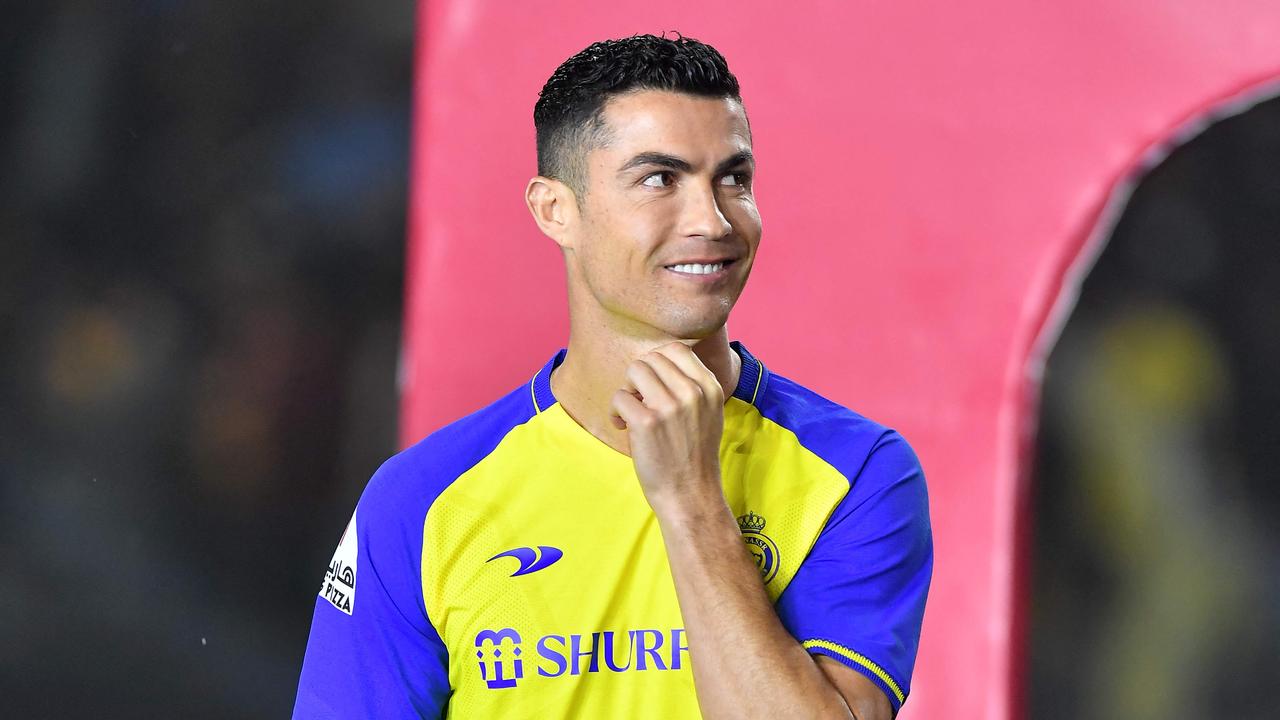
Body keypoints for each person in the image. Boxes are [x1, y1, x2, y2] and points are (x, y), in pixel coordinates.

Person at [293, 33, 932, 719]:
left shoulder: (858, 473)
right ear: (554, 210)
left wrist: (691, 501)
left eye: (733, 179)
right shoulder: (420, 501)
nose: (712, 220)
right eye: (660, 179)